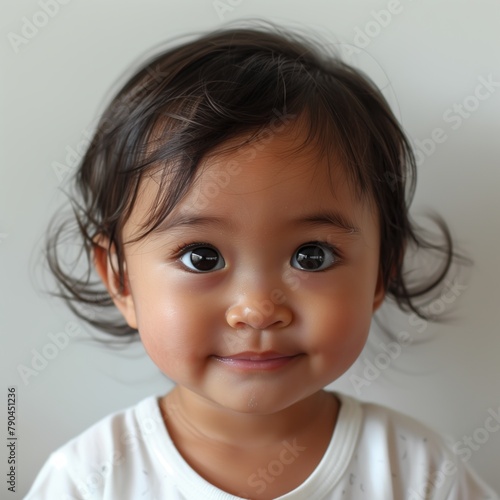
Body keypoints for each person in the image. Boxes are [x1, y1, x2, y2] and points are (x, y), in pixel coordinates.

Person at [26, 21, 498, 500]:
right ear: (121, 280)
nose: (257, 308)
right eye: (201, 256)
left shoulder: (417, 471)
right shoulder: (89, 478)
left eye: (311, 256)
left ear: (381, 270)